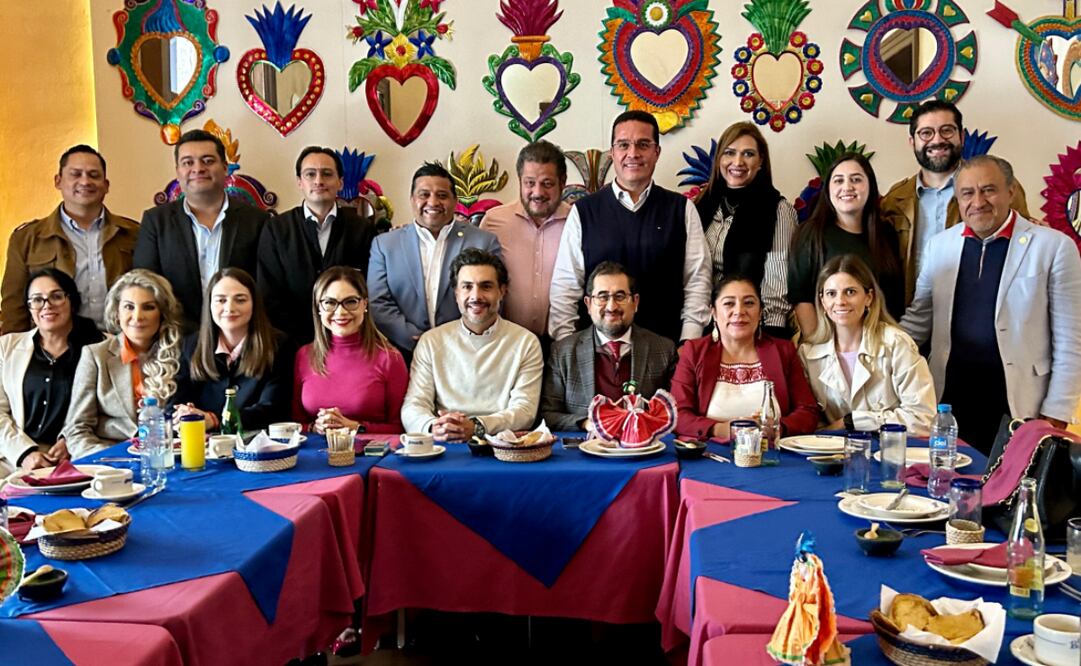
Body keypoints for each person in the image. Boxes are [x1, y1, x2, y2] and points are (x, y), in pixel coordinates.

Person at [900, 155, 1081, 451]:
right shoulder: (940, 246)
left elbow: (1071, 340)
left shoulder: (1054, 247)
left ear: (1010, 191)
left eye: (988, 190)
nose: (978, 201)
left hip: (1020, 405)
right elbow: (919, 320)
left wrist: (1056, 413)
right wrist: (871, 348)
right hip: (949, 402)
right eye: (967, 193)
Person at [548, 110, 711, 345]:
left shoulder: (681, 209)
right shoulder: (583, 212)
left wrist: (688, 343)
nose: (633, 153)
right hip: (597, 353)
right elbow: (565, 287)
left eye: (643, 144)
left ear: (657, 152)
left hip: (667, 349)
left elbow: (697, 281)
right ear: (612, 153)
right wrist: (568, 347)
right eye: (624, 145)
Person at [881, 100, 1030, 304]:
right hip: (913, 311)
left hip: (981, 310)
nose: (937, 140)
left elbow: (1026, 249)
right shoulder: (895, 200)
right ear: (912, 142)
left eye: (947, 130)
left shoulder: (999, 187)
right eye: (926, 133)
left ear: (961, 136)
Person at [133, 129, 268, 332]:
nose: (198, 168)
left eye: (208, 161)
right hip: (176, 337)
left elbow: (265, 287)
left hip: (241, 336)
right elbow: (145, 285)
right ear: (178, 171)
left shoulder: (257, 220)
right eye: (188, 162)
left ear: (225, 168)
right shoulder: (156, 221)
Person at [401, 249, 543, 439]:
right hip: (443, 441)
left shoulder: (526, 342)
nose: (476, 296)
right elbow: (413, 405)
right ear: (456, 293)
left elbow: (525, 411)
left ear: (502, 291)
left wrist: (477, 426)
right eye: (467, 287)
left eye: (486, 286)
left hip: (501, 445)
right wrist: (434, 427)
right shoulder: (431, 341)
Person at [368, 162, 502, 354]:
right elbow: (378, 302)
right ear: (412, 200)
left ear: (455, 201)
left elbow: (495, 297)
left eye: (442, 195)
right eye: (424, 195)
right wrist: (419, 341)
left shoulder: (484, 242)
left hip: (467, 352)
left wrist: (456, 340)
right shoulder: (385, 245)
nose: (433, 202)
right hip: (404, 353)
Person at [2, 145, 138, 333]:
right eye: (76, 174)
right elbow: (14, 308)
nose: (85, 181)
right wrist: (15, 348)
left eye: (94, 175)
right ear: (58, 181)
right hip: (55, 345)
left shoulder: (133, 233)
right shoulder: (27, 239)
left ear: (106, 185)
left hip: (120, 343)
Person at [671, 275, 820, 441]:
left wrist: (777, 428)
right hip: (712, 450)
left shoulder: (783, 351)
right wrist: (719, 429)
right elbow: (676, 414)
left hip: (771, 450)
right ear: (714, 313)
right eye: (729, 303)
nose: (739, 311)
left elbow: (808, 411)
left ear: (760, 311)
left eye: (749, 303)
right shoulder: (695, 351)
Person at [799, 255, 936, 435]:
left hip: (888, 448)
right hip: (832, 449)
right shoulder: (807, 353)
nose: (840, 301)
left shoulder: (897, 343)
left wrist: (853, 421)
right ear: (823, 301)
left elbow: (923, 419)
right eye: (831, 294)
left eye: (850, 292)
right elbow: (810, 422)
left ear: (869, 298)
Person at [257, 146, 376, 345]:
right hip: (291, 342)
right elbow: (268, 293)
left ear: (340, 182)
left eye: (327, 174)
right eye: (310, 174)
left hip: (348, 341)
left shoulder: (362, 229)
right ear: (299, 182)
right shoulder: (276, 229)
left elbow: (368, 289)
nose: (319, 181)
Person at [541, 261, 676, 431]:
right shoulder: (563, 352)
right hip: (587, 444)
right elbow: (548, 414)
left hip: (644, 443)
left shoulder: (663, 350)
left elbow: (673, 412)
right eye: (603, 297)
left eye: (620, 296)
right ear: (588, 304)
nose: (611, 307)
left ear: (635, 302)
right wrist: (587, 423)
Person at [65, 269, 184, 457]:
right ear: (117, 312)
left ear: (162, 314)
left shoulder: (181, 354)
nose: (137, 317)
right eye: (129, 307)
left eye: (148, 307)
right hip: (111, 459)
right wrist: (112, 459)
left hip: (168, 458)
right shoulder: (95, 356)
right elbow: (76, 430)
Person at [693, 122, 797, 338]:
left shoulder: (777, 209)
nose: (738, 162)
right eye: (729, 153)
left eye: (748, 154)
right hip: (702, 324)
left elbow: (777, 279)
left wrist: (772, 336)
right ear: (719, 159)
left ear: (760, 162)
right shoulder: (701, 205)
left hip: (751, 328)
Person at [0, 269, 104, 474]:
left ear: (72, 301)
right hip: (15, 458)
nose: (47, 305)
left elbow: (112, 410)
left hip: (77, 457)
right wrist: (25, 453)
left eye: (56, 296)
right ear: (29, 307)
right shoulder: (7, 347)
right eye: (37, 300)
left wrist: (71, 440)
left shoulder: (102, 347)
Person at [788, 153, 904, 337]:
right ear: (828, 189)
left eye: (856, 179)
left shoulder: (887, 233)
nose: (847, 187)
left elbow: (894, 299)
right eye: (838, 180)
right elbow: (801, 299)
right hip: (826, 343)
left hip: (881, 343)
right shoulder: (810, 234)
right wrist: (818, 346)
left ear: (870, 186)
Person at [171, 268, 293, 434]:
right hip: (201, 443)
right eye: (221, 300)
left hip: (258, 443)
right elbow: (175, 403)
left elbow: (274, 410)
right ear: (209, 305)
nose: (229, 308)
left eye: (240, 300)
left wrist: (213, 420)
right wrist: (184, 415)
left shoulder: (279, 345)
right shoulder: (190, 345)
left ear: (254, 304)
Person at [293, 266, 408, 434]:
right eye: (330, 303)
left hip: (371, 450)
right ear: (318, 307)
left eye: (351, 302)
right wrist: (313, 427)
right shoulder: (304, 355)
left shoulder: (390, 358)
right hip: (315, 448)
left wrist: (355, 427)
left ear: (364, 304)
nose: (340, 312)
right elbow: (295, 425)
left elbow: (401, 428)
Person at [479, 140, 571, 343]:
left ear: (563, 182)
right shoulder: (494, 222)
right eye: (530, 183)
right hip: (505, 342)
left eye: (547, 184)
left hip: (561, 341)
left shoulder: (577, 222)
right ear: (520, 181)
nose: (538, 193)